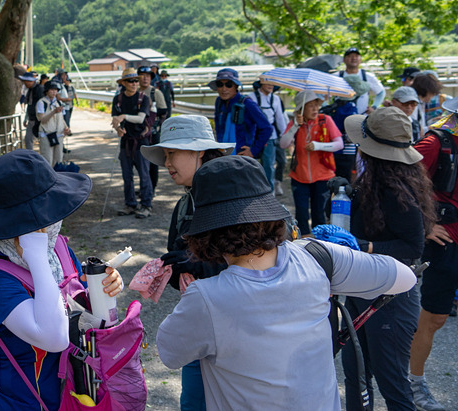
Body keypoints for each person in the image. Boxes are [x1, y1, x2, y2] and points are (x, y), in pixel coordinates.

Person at [156, 155, 418, 411]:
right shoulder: (318, 257)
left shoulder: (206, 298)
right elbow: (404, 277)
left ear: (206, 232)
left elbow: (169, 353)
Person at [0, 150, 123, 411]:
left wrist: (105, 289)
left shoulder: (57, 249)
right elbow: (54, 338)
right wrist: (36, 255)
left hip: (76, 396)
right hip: (25, 403)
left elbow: (81, 313)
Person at [338, 108, 434, 411]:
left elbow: (413, 246)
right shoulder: (375, 179)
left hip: (391, 298)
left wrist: (363, 246)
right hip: (361, 288)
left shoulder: (396, 189)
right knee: (356, 376)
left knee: (392, 385)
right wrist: (343, 194)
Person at [140, 115, 233, 411]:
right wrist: (172, 269)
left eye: (172, 154)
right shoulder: (184, 204)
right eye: (165, 156)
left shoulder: (232, 198)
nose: (167, 163)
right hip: (199, 325)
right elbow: (177, 254)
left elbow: (254, 266)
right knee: (194, 402)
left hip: (236, 328)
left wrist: (198, 264)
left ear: (199, 151)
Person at [407, 97, 458, 411]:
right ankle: (414, 384)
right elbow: (401, 185)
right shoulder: (435, 142)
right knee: (435, 317)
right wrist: (425, 225)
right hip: (446, 240)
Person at [280, 90, 343, 236]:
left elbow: (339, 144)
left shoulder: (325, 120)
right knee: (301, 213)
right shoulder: (295, 123)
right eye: (311, 106)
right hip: (299, 176)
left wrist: (319, 145)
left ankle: (320, 241)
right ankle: (303, 241)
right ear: (301, 109)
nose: (315, 109)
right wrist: (295, 126)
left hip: (323, 176)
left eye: (317, 105)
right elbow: (283, 144)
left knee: (319, 213)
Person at [111, 68, 153, 218]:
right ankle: (130, 204)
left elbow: (141, 119)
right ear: (123, 83)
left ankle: (146, 205)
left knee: (144, 175)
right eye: (131, 81)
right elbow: (115, 120)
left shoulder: (143, 99)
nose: (134, 83)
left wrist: (123, 116)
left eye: (136, 80)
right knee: (127, 176)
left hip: (141, 141)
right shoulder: (118, 99)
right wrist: (118, 129)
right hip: (126, 142)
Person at [209, 68, 273, 159]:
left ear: (236, 86)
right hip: (222, 154)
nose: (224, 89)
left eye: (228, 85)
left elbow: (267, 128)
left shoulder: (247, 103)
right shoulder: (219, 102)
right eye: (220, 84)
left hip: (242, 156)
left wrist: (253, 151)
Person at [252, 78, 288, 192]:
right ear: (261, 83)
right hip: (254, 136)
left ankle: (269, 192)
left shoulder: (276, 99)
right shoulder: (251, 97)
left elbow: (280, 118)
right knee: (252, 164)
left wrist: (284, 135)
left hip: (270, 136)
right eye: (268, 82)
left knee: (269, 165)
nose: (270, 85)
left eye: (273, 83)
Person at [138, 65, 168, 190]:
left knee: (153, 162)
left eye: (148, 76)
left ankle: (152, 188)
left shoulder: (155, 93)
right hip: (138, 133)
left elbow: (164, 111)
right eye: (142, 76)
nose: (145, 78)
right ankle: (144, 188)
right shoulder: (134, 92)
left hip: (153, 133)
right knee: (140, 163)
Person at [340, 47, 385, 115]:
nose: (354, 58)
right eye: (350, 56)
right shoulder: (337, 76)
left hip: (362, 117)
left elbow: (381, 92)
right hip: (340, 117)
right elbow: (323, 93)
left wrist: (374, 107)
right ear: (344, 60)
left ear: (360, 60)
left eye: (356, 56)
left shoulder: (368, 76)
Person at [36, 81, 70, 166]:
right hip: (46, 134)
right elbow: (42, 119)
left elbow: (61, 118)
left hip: (59, 134)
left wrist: (66, 128)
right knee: (47, 159)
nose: (54, 92)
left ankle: (57, 175)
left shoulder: (58, 102)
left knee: (58, 160)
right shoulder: (41, 102)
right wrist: (53, 112)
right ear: (46, 91)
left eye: (55, 90)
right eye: (51, 89)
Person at [18, 72, 43, 150]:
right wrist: (26, 118)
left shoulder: (39, 89)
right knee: (28, 139)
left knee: (42, 140)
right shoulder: (29, 90)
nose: (25, 83)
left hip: (39, 119)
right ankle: (30, 155)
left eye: (27, 81)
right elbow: (29, 104)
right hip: (31, 118)